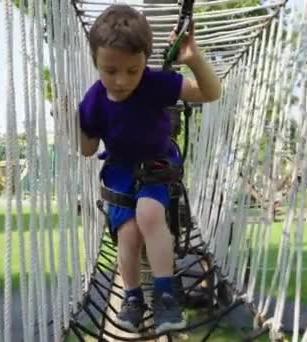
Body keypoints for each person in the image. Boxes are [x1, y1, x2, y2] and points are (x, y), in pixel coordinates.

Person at [78, 4, 221, 334]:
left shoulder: (156, 83)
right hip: (119, 170)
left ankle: (165, 294)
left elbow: (211, 93)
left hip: (156, 163)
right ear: (96, 62)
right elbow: (87, 150)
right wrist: (74, 125)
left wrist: (194, 59)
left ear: (145, 60)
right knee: (127, 235)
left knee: (150, 215)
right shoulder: (93, 101)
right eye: (110, 70)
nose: (121, 80)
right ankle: (132, 297)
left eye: (133, 70)